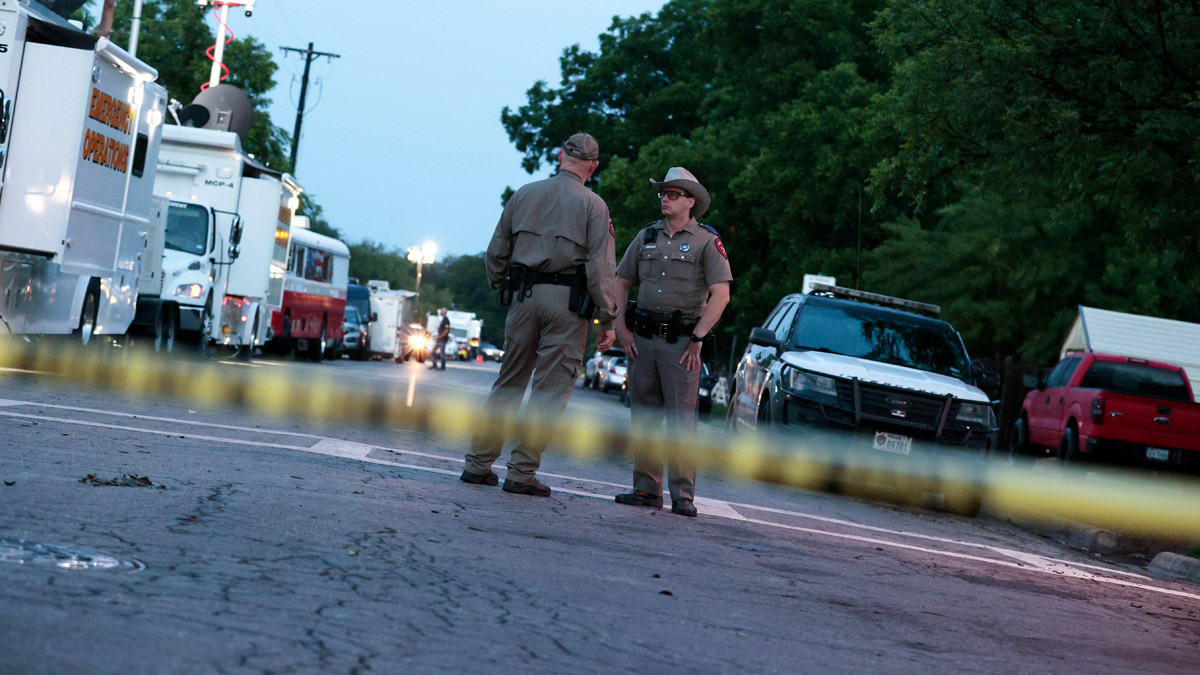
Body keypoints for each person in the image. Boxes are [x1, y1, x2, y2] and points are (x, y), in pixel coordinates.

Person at [460, 133, 621, 498]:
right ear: (593, 167)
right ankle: (521, 473)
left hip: (523, 297)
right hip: (566, 304)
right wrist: (608, 321)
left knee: (509, 381)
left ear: (561, 156)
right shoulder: (594, 206)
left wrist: (502, 284)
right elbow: (600, 269)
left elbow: (496, 249)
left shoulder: (525, 194)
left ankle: (477, 464)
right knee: (549, 391)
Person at [612, 167, 732, 517]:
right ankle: (647, 490)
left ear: (691, 201)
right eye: (663, 193)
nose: (665, 198)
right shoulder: (646, 235)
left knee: (681, 422)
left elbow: (721, 295)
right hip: (643, 340)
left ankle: (683, 496)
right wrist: (620, 327)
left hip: (682, 345)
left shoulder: (706, 241)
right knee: (644, 418)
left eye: (673, 194)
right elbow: (621, 281)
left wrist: (698, 337)